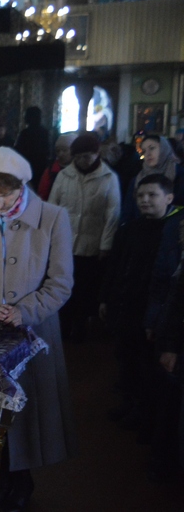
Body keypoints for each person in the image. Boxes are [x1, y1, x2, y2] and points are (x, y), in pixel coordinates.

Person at [0, 146, 76, 511]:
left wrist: (25, 311)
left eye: (5, 193)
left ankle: (20, 482)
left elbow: (61, 282)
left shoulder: (53, 218)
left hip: (33, 331)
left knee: (24, 416)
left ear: (21, 186)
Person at [99, 175, 183, 457]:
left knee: (148, 366)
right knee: (127, 357)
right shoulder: (130, 229)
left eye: (152, 195)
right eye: (141, 196)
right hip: (126, 304)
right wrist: (106, 298)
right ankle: (131, 403)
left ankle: (145, 413)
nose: (145, 200)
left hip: (149, 309)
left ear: (169, 198)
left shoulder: (170, 232)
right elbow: (116, 266)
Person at [49, 132, 121, 340]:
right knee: (63, 285)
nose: (82, 161)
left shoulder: (108, 177)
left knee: (84, 288)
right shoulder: (64, 176)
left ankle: (80, 328)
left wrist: (105, 244)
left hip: (92, 242)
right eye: (78, 156)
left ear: (96, 153)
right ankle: (62, 328)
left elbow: (112, 214)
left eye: (86, 156)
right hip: (65, 241)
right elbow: (53, 207)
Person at [123, 135, 184, 221]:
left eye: (152, 148)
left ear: (163, 149)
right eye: (144, 151)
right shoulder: (138, 178)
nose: (148, 154)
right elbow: (128, 211)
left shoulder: (180, 174)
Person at [14, 106, 51, 190]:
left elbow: (18, 151)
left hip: (27, 168)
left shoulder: (25, 134)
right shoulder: (45, 132)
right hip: (41, 167)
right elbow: (48, 151)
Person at [37, 133, 76, 201]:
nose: (60, 154)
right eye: (58, 151)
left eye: (64, 150)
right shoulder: (51, 170)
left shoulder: (80, 170)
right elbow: (42, 193)